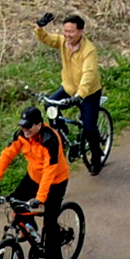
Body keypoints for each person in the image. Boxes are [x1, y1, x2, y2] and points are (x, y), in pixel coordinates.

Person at [0, 106, 71, 259]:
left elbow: (50, 171)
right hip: (33, 177)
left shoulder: (51, 140)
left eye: (29, 126)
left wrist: (39, 199)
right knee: (15, 201)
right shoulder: (21, 135)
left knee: (49, 223)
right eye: (23, 125)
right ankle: (30, 226)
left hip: (55, 181)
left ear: (39, 124)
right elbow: (7, 154)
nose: (25, 129)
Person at [33, 10, 102, 172]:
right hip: (68, 88)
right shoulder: (63, 42)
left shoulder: (89, 50)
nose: (67, 35)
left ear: (81, 31)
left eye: (71, 31)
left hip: (88, 93)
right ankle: (62, 136)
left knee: (90, 127)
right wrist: (39, 27)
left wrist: (80, 95)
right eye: (65, 31)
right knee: (50, 106)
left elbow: (89, 74)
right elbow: (47, 39)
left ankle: (97, 156)